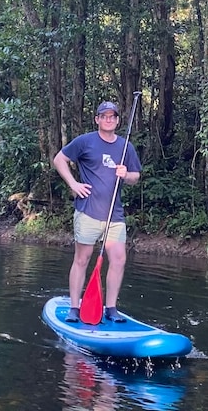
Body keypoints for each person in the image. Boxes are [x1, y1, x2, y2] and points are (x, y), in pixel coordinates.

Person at [52, 101, 141, 323]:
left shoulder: (126, 146)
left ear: (118, 120)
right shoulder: (85, 141)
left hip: (115, 215)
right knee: (82, 259)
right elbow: (59, 159)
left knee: (119, 260)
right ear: (97, 119)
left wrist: (125, 174)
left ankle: (110, 308)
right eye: (104, 116)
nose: (108, 119)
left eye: (112, 116)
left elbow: (135, 177)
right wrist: (73, 184)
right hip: (88, 212)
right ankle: (74, 307)